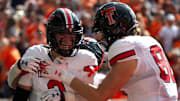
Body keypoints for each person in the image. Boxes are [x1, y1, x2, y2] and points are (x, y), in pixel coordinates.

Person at [41, 2, 178, 101]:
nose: (100, 37)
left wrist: (60, 74)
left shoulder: (124, 45)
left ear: (113, 29)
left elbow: (99, 96)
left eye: (102, 31)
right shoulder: (149, 41)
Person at [8, 8, 104, 101]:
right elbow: (15, 87)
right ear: (52, 34)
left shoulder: (85, 58)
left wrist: (65, 97)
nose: (67, 40)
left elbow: (95, 97)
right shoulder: (37, 53)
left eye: (72, 35)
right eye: (62, 34)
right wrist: (19, 66)